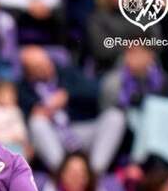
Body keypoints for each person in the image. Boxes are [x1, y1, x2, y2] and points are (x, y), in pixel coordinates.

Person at [19, 45, 126, 174]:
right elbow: (21, 118)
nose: (46, 67)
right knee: (37, 122)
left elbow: (95, 93)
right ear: (28, 73)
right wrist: (36, 113)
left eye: (46, 62)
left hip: (79, 129)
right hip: (54, 135)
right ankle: (64, 174)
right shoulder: (23, 89)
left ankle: (94, 173)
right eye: (38, 67)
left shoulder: (67, 73)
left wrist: (68, 95)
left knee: (115, 116)